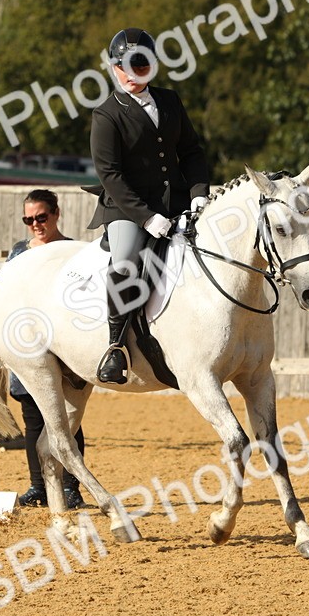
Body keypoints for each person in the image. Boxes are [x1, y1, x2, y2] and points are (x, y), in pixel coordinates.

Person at [88, 27, 210, 384]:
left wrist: (199, 191)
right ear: (113, 68)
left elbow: (191, 151)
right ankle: (115, 348)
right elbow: (110, 175)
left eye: (139, 65)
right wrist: (145, 218)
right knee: (125, 261)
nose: (130, 74)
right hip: (127, 208)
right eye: (122, 67)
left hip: (177, 202)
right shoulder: (107, 115)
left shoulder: (170, 101)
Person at [6, 189, 87, 509]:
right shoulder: (18, 253)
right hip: (26, 345)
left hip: (65, 347)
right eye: (28, 219)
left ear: (56, 214)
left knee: (68, 419)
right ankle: (39, 486)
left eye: (41, 217)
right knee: (33, 420)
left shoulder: (73, 251)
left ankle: (70, 487)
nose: (35, 224)